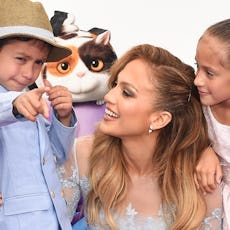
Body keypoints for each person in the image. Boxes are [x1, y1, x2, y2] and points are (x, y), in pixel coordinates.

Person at [58, 44, 223, 229]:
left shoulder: (203, 177)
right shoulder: (83, 154)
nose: (109, 97)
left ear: (160, 119)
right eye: (114, 85)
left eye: (127, 93)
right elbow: (46, 221)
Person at [0, 0, 77, 229]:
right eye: (21, 59)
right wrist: (16, 104)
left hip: (53, 219)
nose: (29, 72)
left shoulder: (34, 98)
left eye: (38, 62)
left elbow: (58, 156)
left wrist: (63, 118)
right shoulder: (19, 100)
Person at [194, 18, 230, 230]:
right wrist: (203, 149)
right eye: (197, 66)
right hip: (209, 203)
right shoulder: (197, 107)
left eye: (209, 73)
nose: (197, 79)